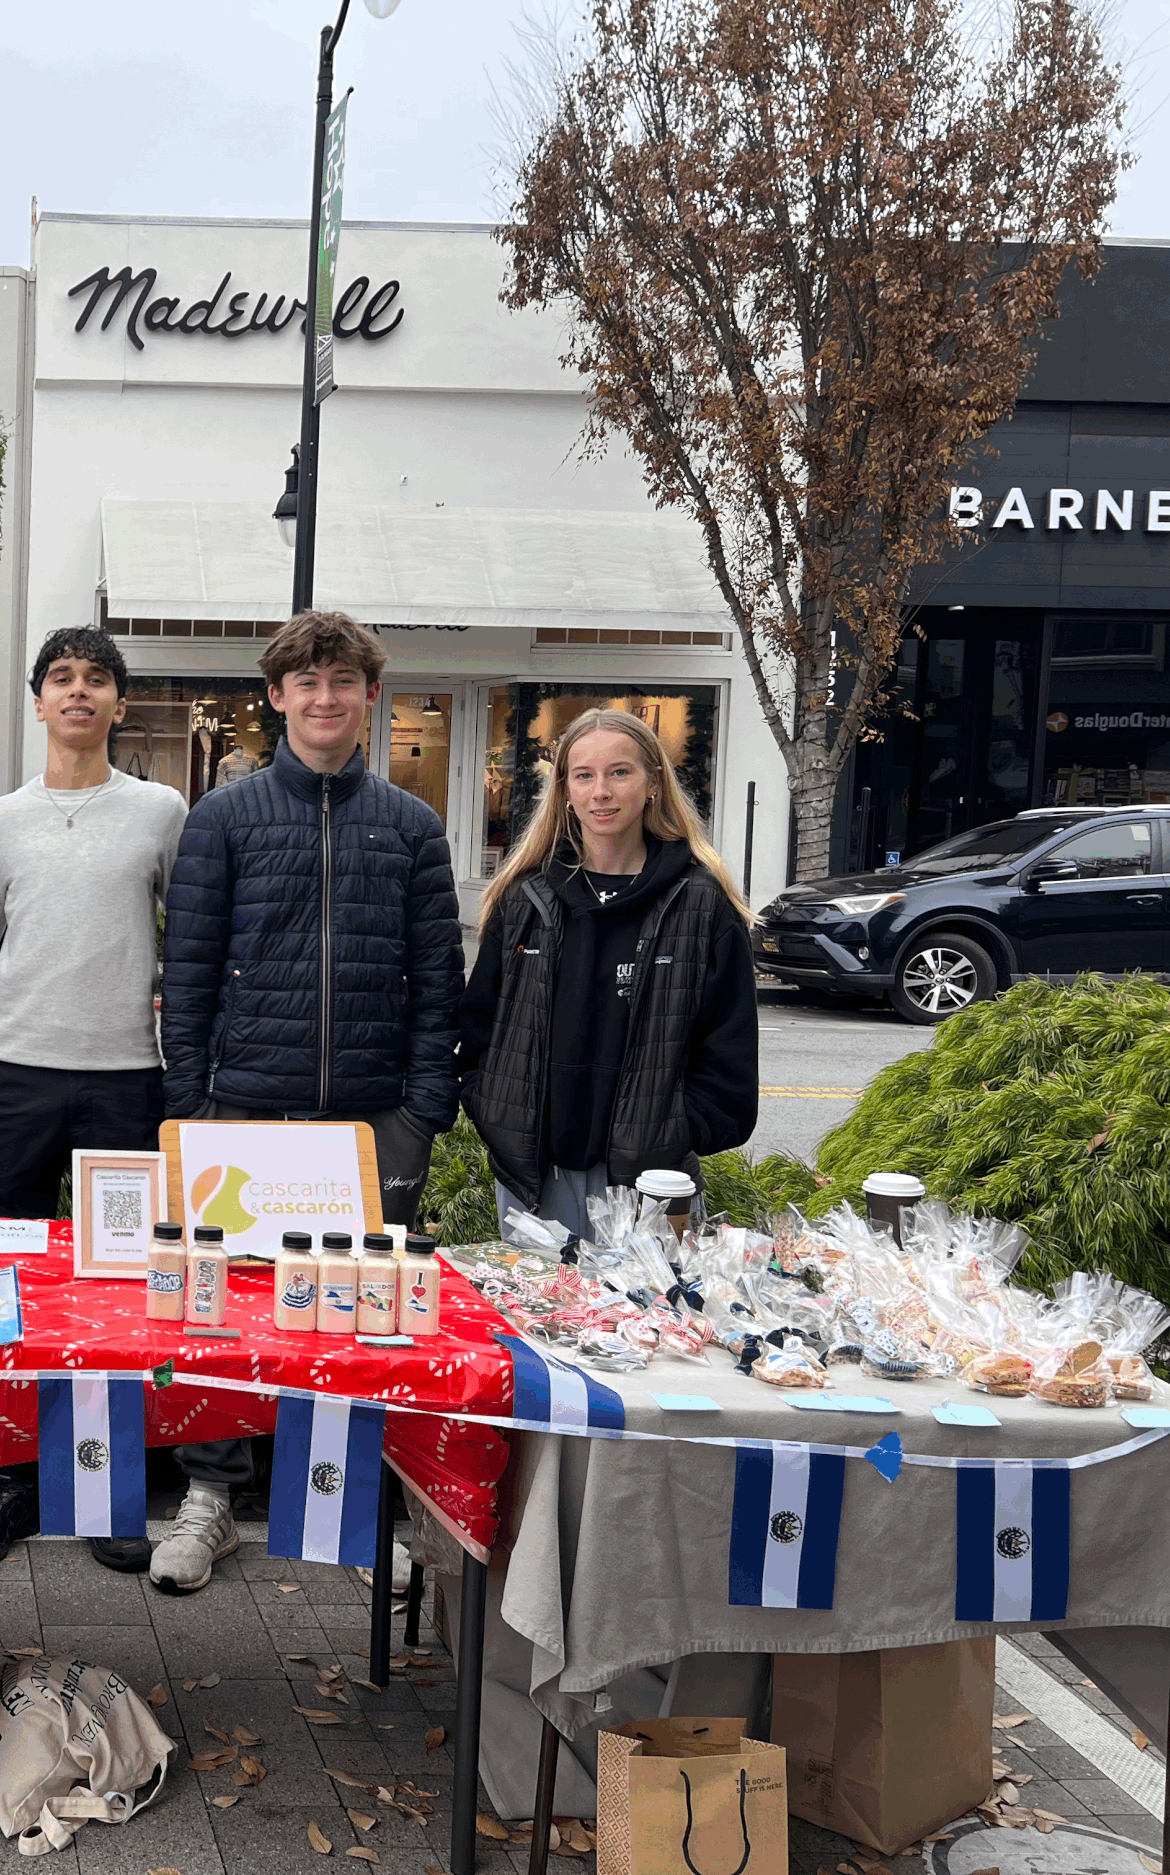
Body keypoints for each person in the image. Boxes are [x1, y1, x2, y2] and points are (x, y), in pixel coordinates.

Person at [153, 609, 466, 1593]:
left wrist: (420, 1110)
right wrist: (190, 1110)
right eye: (306, 681)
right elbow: (188, 968)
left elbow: (436, 976)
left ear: (369, 698)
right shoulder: (225, 817)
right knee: (222, 1320)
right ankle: (211, 1501)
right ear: (277, 695)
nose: (324, 698)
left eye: (343, 681)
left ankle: (359, 1516)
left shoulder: (411, 826)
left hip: (369, 1119)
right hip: (240, 1114)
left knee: (358, 1327)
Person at [0, 626, 186, 1570]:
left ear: (119, 704)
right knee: (9, 1288)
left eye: (97, 679)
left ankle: (106, 1486)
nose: (79, 692)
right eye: (62, 678)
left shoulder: (162, 810)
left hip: (127, 1078)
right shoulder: (0, 819)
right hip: (14, 1074)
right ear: (38, 699)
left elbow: (191, 927)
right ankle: (8, 1478)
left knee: (117, 1291)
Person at [459, 707, 758, 1236]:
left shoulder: (701, 905)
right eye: (584, 775)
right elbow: (479, 1027)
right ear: (565, 791)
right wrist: (493, 1109)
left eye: (620, 772)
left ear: (652, 784)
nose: (601, 791)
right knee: (540, 1318)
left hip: (652, 1185)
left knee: (648, 1319)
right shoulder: (525, 898)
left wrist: (673, 1132)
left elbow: (728, 1054)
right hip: (532, 1179)